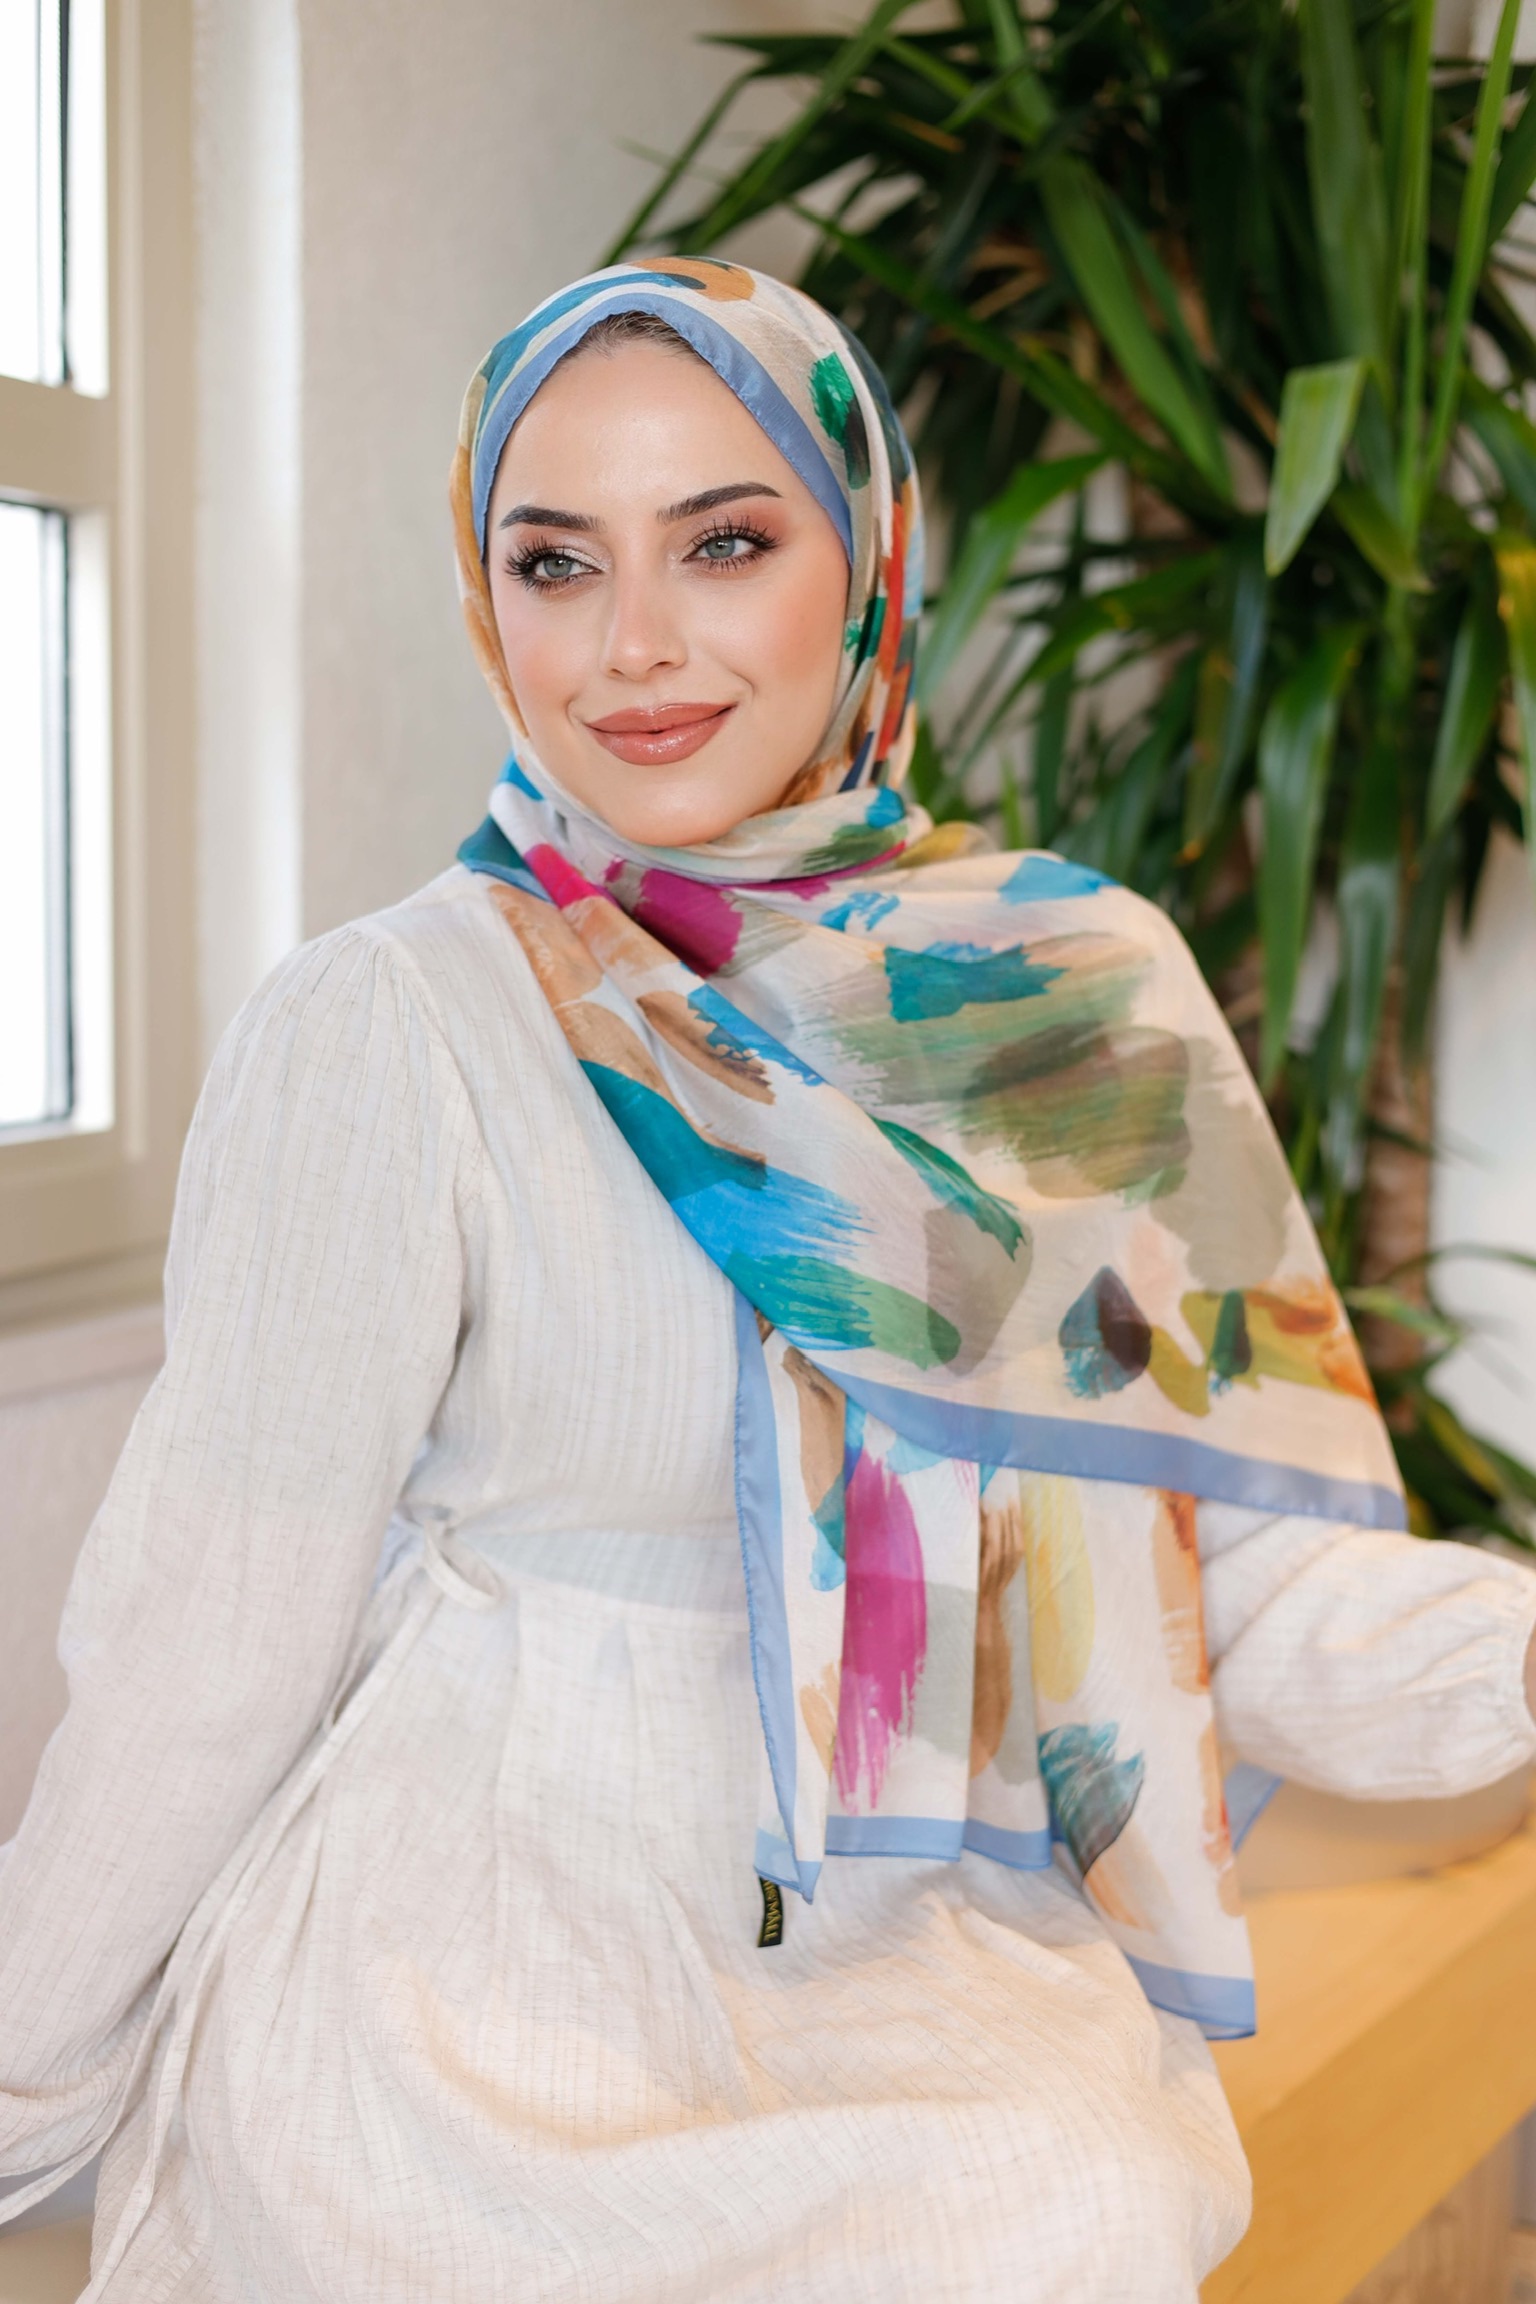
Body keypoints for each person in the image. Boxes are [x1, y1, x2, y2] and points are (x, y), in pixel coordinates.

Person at [2, 261, 1534, 2304]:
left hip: (909, 1953)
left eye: (723, 543)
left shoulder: (1063, 1000)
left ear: (868, 564)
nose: (632, 645)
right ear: (486, 599)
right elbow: (209, 1638)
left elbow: (1233, 1584)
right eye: (556, 563)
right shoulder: (393, 1021)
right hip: (459, 1977)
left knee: (1071, 2207)